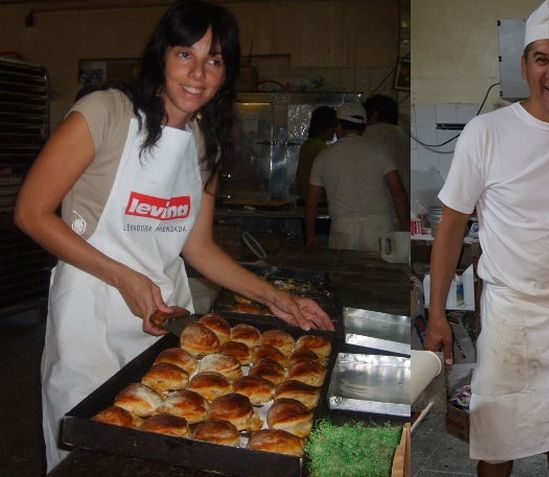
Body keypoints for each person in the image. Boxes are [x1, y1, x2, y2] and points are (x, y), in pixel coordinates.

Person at [13, 1, 333, 470]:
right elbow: (30, 212)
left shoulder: (206, 142)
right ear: (162, 56)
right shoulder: (104, 113)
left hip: (164, 323)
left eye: (215, 60)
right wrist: (123, 277)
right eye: (186, 54)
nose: (198, 73)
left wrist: (274, 298)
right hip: (90, 318)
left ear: (227, 73)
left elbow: (197, 247)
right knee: (88, 458)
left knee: (163, 451)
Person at [423, 1, 549, 476]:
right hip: (509, 312)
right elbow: (451, 228)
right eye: (542, 59)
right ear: (524, 66)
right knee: (497, 433)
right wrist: (437, 313)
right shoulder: (487, 132)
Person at [304, 102, 409, 251]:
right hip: (379, 228)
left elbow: (310, 205)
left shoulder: (323, 156)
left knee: (345, 273)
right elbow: (399, 195)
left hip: (343, 229)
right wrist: (406, 233)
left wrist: (311, 237)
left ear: (338, 126)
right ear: (364, 126)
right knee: (378, 273)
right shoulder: (380, 151)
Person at [363, 94, 410, 198]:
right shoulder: (404, 135)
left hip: (378, 203)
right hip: (405, 201)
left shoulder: (368, 134)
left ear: (374, 115)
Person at [295, 105, 336, 203]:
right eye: (333, 126)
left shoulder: (306, 145)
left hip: (305, 198)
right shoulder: (321, 147)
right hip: (318, 201)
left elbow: (298, 176)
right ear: (323, 126)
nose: (334, 130)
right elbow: (326, 178)